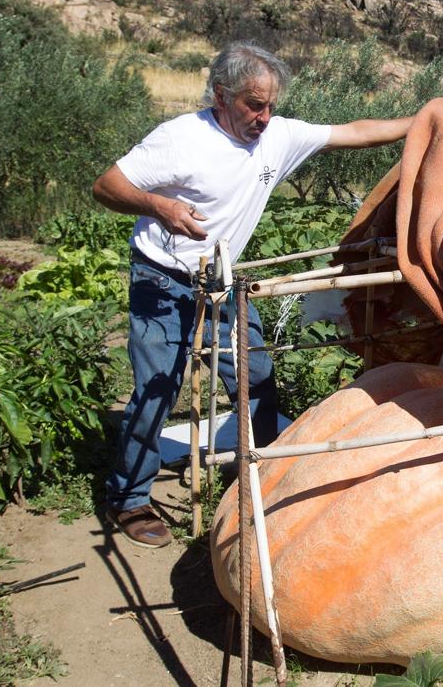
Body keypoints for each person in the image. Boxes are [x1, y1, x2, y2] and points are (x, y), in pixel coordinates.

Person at [92, 40, 415, 548]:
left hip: (220, 281)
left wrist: (423, 121)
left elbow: (354, 133)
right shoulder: (180, 139)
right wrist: (160, 207)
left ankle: (265, 471)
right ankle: (129, 499)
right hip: (163, 278)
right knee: (159, 388)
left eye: (271, 104)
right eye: (253, 104)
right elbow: (107, 185)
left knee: (255, 374)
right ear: (221, 95)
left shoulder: (277, 136)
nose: (265, 116)